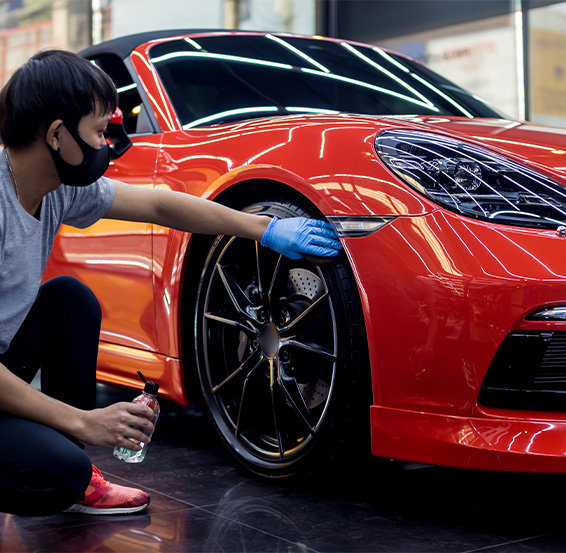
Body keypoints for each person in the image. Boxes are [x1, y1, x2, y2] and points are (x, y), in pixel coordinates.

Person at [0, 49, 342, 516]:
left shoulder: (57, 190)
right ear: (57, 135)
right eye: (99, 132)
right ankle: (69, 472)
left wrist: (265, 228)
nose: (106, 146)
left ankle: (77, 473)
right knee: (52, 479)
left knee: (70, 300)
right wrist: (85, 422)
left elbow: (160, 206)